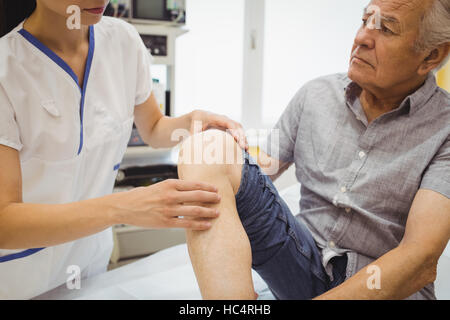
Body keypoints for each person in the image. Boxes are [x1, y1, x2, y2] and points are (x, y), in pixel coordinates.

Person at [178, 0, 450, 300]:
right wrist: (220, 158)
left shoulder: (445, 127)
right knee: (207, 149)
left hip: (380, 286)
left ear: (431, 55)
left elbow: (420, 259)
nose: (361, 38)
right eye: (364, 21)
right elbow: (254, 175)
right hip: (300, 262)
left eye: (385, 28)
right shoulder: (316, 95)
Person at [0, 0, 248, 299]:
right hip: (18, 277)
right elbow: (5, 221)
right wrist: (123, 207)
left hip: (89, 265)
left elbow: (154, 128)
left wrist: (189, 123)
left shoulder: (123, 42)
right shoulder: (6, 69)